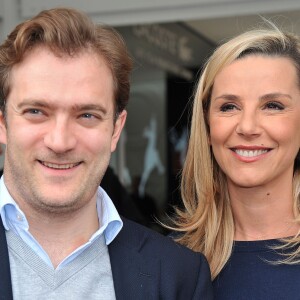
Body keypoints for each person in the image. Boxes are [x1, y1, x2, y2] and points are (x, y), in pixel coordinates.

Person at [0, 7, 213, 300]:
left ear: (115, 130)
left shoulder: (177, 274)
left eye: (87, 115)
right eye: (36, 112)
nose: (60, 142)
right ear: (3, 124)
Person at [172, 24, 300, 299]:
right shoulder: (169, 263)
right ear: (207, 126)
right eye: (229, 106)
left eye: (273, 106)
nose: (248, 126)